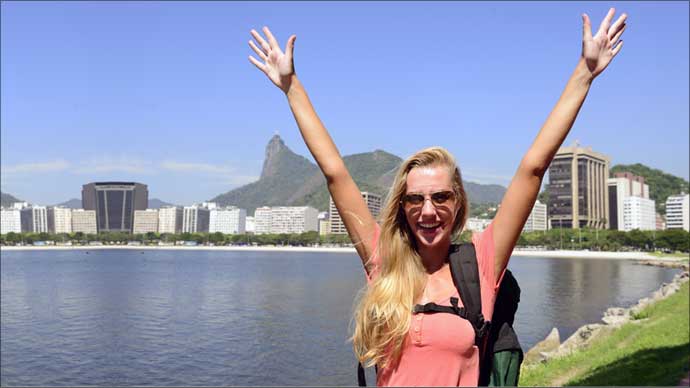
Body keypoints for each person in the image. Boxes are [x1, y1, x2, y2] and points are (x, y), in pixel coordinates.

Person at [248, 8, 626, 386]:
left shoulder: (481, 265)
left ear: (458, 203)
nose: (428, 210)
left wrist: (584, 73)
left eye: (441, 197)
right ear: (402, 207)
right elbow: (335, 172)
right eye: (416, 200)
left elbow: (532, 170)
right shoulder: (384, 264)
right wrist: (291, 86)